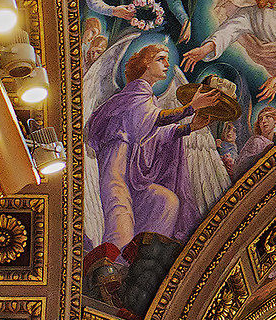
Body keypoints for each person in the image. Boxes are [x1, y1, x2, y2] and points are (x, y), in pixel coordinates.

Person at [86, 42, 227, 256]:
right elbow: (154, 119)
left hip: (134, 176)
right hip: (116, 169)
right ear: (145, 63)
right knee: (120, 220)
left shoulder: (149, 99)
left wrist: (189, 128)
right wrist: (190, 108)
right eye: (160, 58)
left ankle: (144, 258)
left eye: (166, 59)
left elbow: (154, 136)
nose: (166, 64)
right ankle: (113, 267)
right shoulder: (133, 95)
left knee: (166, 201)